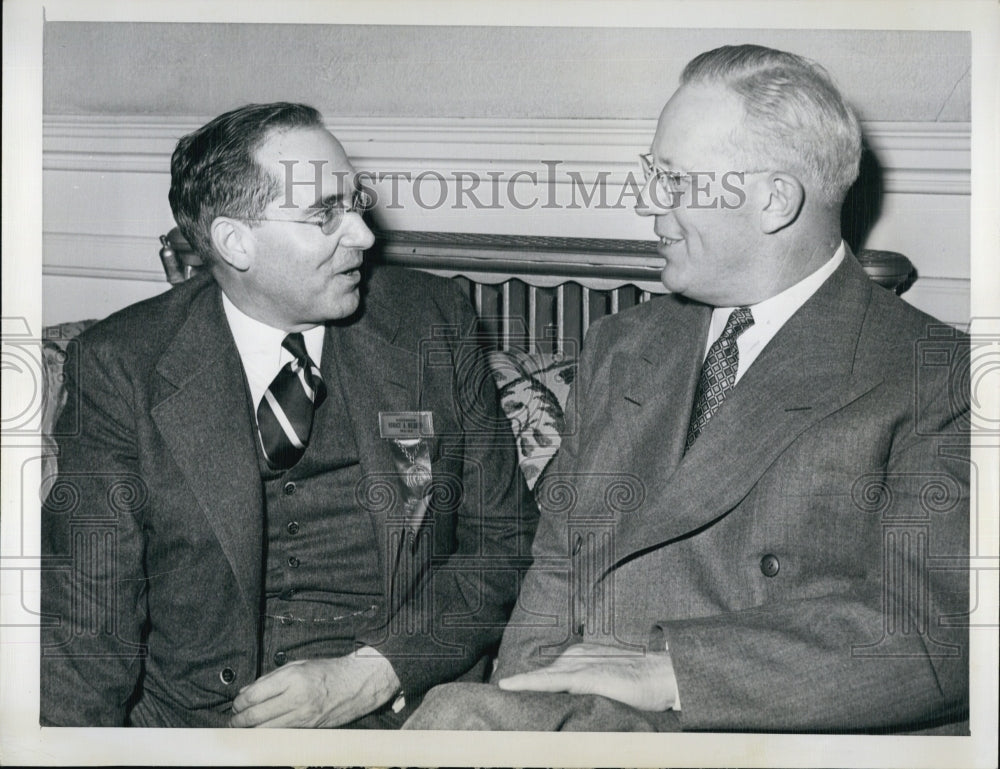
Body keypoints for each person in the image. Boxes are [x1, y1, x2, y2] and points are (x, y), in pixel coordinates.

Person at [404, 45, 969, 733]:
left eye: (673, 181)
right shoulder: (624, 345)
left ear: (774, 199)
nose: (649, 203)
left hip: (756, 730)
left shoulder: (939, 373)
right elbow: (556, 565)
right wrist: (525, 702)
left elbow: (933, 632)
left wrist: (670, 669)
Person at [40, 102, 536, 728]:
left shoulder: (429, 321)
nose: (363, 235)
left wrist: (378, 671)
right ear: (234, 241)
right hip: (196, 728)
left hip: (399, 712)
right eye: (325, 214)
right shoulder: (119, 367)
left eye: (355, 203)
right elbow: (89, 620)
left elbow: (504, 543)